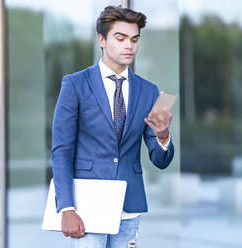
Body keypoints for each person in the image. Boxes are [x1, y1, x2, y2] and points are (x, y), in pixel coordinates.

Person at [51, 5, 175, 248]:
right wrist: (66, 207)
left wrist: (162, 136)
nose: (129, 46)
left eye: (134, 39)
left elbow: (160, 160)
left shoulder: (148, 91)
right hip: (86, 207)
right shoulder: (75, 84)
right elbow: (62, 150)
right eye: (120, 38)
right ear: (102, 40)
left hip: (129, 206)